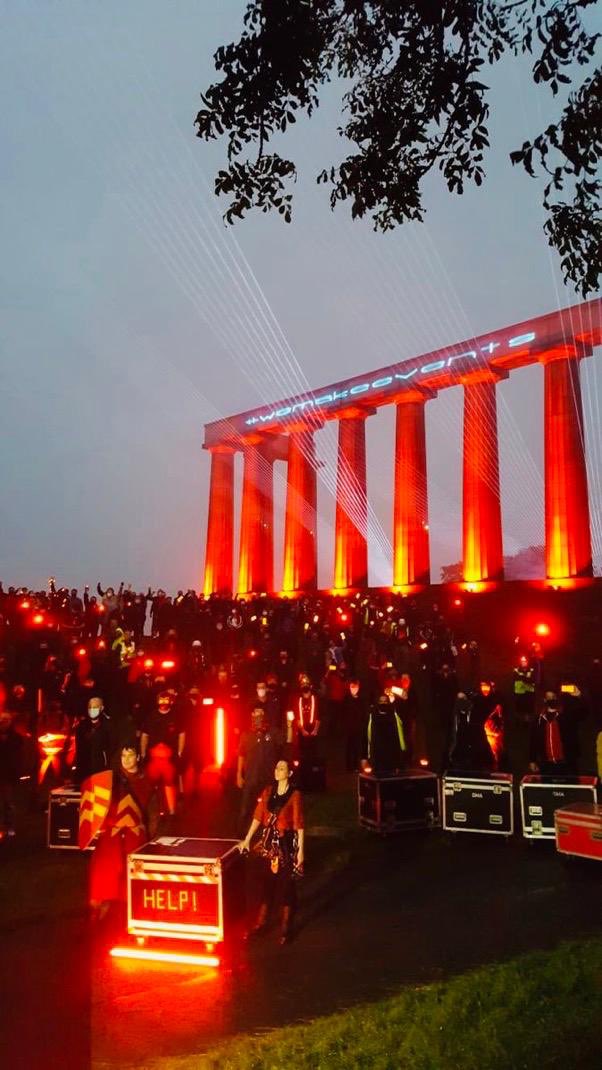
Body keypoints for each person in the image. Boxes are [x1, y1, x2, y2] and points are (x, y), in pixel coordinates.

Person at [239, 758, 304, 945]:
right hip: (270, 844)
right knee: (267, 882)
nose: (277, 770)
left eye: (282, 768)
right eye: (276, 767)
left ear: (289, 773)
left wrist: (300, 852)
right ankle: (261, 923)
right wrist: (247, 839)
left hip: (287, 844)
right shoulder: (268, 791)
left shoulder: (294, 795)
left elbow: (299, 824)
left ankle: (286, 927)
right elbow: (258, 816)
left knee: (287, 884)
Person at [87, 743, 152, 921]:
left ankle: (130, 906)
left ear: (137, 757)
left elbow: (151, 811)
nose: (126, 759)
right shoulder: (112, 780)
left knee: (133, 869)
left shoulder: (146, 780)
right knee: (103, 867)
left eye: (130, 755)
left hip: (135, 832)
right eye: (123, 756)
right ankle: (99, 906)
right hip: (113, 832)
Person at [237, 707, 287, 834]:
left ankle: (267, 833)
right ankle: (241, 834)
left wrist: (290, 726)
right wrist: (239, 774)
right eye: (255, 714)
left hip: (268, 778)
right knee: (246, 808)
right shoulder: (246, 735)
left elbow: (286, 742)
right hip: (251, 777)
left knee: (269, 808)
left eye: (261, 714)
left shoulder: (273, 733)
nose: (258, 717)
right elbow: (241, 755)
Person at [140, 690, 185, 818]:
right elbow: (144, 735)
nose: (163, 702)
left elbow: (182, 734)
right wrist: (143, 753)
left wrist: (180, 752)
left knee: (169, 783)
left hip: (169, 758)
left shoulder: (176, 716)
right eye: (161, 699)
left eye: (166, 699)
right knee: (152, 785)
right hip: (153, 757)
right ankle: (151, 809)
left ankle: (171, 810)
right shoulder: (151, 716)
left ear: (171, 701)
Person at [529, 691, 574, 776]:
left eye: (553, 697)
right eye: (548, 697)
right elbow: (533, 740)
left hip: (564, 762)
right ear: (544, 700)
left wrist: (578, 697)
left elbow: (582, 712)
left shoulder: (565, 716)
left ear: (556, 698)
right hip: (545, 763)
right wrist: (532, 760)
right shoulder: (539, 719)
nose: (551, 699)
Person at [365, 693, 407, 775]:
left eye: (385, 701)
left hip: (391, 749)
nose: (383, 703)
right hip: (378, 750)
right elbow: (369, 734)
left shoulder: (393, 714)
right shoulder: (373, 715)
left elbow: (399, 729)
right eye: (381, 701)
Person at [73, 696, 111, 786]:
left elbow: (109, 748)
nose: (92, 710)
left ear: (101, 708)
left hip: (100, 769)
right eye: (90, 707)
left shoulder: (108, 726)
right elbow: (78, 749)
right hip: (85, 769)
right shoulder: (81, 726)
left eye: (95, 707)